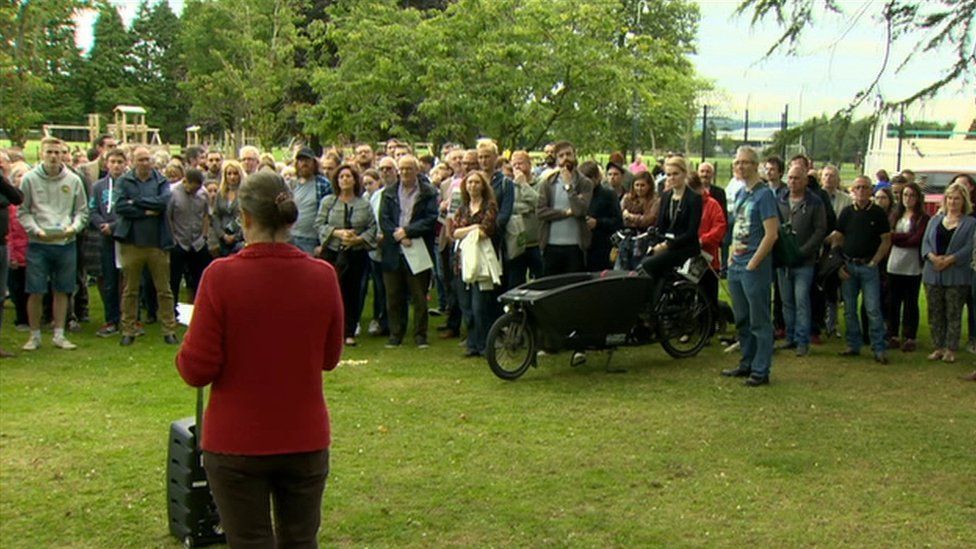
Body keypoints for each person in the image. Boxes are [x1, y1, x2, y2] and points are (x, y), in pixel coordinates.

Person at [176, 170, 342, 548]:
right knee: (301, 540)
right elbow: (330, 357)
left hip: (237, 441)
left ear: (245, 217)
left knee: (249, 540)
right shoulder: (323, 276)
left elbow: (196, 369)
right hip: (304, 435)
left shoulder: (220, 276)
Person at [17, 138, 88, 351]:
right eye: (49, 152)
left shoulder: (74, 180)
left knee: (63, 289)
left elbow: (82, 211)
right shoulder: (29, 179)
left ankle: (59, 334)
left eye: (58, 152)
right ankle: (34, 335)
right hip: (39, 242)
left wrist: (73, 228)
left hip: (65, 242)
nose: (54, 156)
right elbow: (23, 211)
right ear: (42, 153)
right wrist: (35, 229)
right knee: (36, 290)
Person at [720, 146, 779, 386]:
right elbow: (737, 228)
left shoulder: (764, 195)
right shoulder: (742, 194)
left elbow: (771, 233)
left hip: (754, 267)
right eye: (737, 163)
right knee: (742, 318)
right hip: (737, 264)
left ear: (756, 165)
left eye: (745, 162)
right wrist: (732, 256)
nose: (740, 166)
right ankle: (746, 362)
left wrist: (755, 262)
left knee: (759, 320)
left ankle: (761, 369)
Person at [114, 147, 179, 347]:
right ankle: (128, 329)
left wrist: (136, 202)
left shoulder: (160, 181)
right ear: (133, 161)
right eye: (140, 159)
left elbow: (163, 202)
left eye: (147, 159)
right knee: (130, 290)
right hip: (132, 243)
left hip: (157, 243)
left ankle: (169, 329)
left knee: (164, 289)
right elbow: (120, 206)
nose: (145, 163)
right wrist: (146, 211)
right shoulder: (124, 181)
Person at [830, 175, 892, 364]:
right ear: (852, 190)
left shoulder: (878, 213)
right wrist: (839, 263)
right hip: (848, 266)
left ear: (871, 190)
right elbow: (838, 238)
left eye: (865, 188)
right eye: (858, 187)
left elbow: (886, 240)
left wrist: (875, 261)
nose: (861, 191)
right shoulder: (847, 212)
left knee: (872, 309)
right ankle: (853, 345)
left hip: (868, 268)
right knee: (849, 309)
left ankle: (878, 348)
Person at [379, 154, 439, 348]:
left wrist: (408, 232)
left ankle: (420, 336)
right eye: (402, 169)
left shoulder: (428, 192)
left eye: (409, 169)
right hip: (393, 250)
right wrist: (398, 235)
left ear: (417, 170)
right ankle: (396, 334)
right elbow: (384, 219)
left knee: (419, 296)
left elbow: (431, 219)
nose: (405, 172)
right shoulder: (388, 193)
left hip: (418, 248)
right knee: (394, 295)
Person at [315, 164, 377, 347]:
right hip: (332, 253)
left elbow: (372, 228)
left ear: (354, 180)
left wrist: (358, 239)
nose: (345, 180)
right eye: (341, 177)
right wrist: (337, 233)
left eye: (348, 176)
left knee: (352, 293)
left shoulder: (363, 204)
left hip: (355, 254)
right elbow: (319, 224)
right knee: (332, 292)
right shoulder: (329, 201)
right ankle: (330, 331)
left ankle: (349, 331)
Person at [774, 164, 827, 357]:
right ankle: (791, 337)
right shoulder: (779, 199)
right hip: (783, 261)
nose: (792, 182)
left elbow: (820, 230)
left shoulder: (815, 202)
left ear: (805, 180)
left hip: (804, 262)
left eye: (797, 178)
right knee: (786, 301)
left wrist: (803, 251)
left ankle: (803, 341)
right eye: (790, 178)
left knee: (801, 300)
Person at [921, 182, 975, 364]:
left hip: (956, 274)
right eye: (950, 198)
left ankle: (951, 348)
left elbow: (969, 247)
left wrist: (950, 259)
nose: (953, 202)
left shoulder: (970, 223)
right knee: (935, 312)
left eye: (957, 199)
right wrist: (933, 258)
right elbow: (925, 243)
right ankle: (938, 347)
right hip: (932, 273)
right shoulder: (934, 220)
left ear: (963, 201)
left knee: (953, 313)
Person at [449, 170, 499, 357]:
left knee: (480, 306)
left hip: (481, 262)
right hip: (461, 262)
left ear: (483, 186)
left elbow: (487, 230)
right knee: (466, 306)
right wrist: (474, 227)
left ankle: (484, 344)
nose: (472, 186)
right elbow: (453, 232)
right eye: (469, 182)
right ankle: (472, 343)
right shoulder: (462, 208)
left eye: (477, 182)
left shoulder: (490, 206)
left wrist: (467, 230)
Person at [640, 156, 702, 304]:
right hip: (667, 244)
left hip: (685, 247)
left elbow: (691, 232)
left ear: (684, 173)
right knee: (643, 262)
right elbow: (660, 225)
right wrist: (654, 243)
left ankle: (652, 305)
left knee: (648, 265)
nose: (672, 178)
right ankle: (652, 301)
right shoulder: (666, 196)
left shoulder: (694, 199)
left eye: (675, 174)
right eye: (668, 174)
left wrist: (666, 245)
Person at [537, 141, 593, 275]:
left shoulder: (585, 183)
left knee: (572, 289)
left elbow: (580, 210)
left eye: (568, 154)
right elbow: (540, 212)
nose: (565, 158)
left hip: (575, 247)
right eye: (561, 155)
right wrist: (565, 213)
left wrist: (569, 187)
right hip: (551, 245)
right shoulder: (548, 183)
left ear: (575, 156)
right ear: (556, 160)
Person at [88, 148, 128, 337]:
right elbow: (92, 209)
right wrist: (102, 225)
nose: (116, 166)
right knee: (109, 280)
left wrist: (114, 226)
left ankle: (130, 318)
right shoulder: (98, 186)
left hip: (127, 237)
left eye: (120, 162)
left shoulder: (131, 185)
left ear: (125, 164)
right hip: (105, 239)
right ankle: (111, 319)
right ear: (106, 164)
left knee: (129, 280)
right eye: (113, 162)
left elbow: (132, 211)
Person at [885, 182, 928, 352]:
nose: (908, 199)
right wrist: (901, 237)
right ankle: (893, 334)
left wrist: (897, 237)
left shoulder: (922, 218)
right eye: (905, 195)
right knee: (893, 302)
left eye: (911, 195)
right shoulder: (896, 215)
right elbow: (888, 237)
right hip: (894, 264)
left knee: (911, 302)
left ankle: (910, 336)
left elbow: (916, 239)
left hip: (912, 266)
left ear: (917, 198)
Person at [167, 169, 211, 308]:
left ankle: (200, 307)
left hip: (197, 242)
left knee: (200, 277)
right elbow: (169, 218)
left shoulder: (203, 194)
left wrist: (204, 235)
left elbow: (206, 215)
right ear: (185, 181)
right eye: (192, 188)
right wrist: (173, 239)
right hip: (179, 242)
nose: (194, 192)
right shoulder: (172, 194)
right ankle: (172, 309)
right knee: (174, 278)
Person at [0, 151, 25, 357]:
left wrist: (3, 179)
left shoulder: (3, 184)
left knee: (0, 294)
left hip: (2, 243)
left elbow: (17, 198)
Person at [287, 148, 333, 255]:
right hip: (291, 237)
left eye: (307, 160)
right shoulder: (291, 185)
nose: (304, 163)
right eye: (301, 160)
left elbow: (330, 215)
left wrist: (323, 244)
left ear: (314, 163)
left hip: (312, 240)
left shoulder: (323, 184)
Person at [580, 161, 622, 271]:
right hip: (580, 247)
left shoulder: (608, 195)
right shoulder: (578, 195)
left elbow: (618, 222)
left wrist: (598, 223)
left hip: (601, 247)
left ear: (597, 178)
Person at [618, 171, 659, 270]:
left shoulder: (655, 201)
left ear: (649, 186)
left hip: (645, 239)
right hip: (626, 238)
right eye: (637, 185)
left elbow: (649, 219)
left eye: (642, 185)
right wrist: (637, 218)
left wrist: (630, 216)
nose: (639, 188)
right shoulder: (627, 198)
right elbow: (621, 215)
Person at [209, 161, 245, 258]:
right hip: (221, 238)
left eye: (235, 173)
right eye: (229, 174)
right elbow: (215, 215)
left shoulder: (245, 194)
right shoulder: (221, 194)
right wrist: (222, 235)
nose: (232, 177)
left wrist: (236, 236)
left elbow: (246, 217)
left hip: (240, 239)